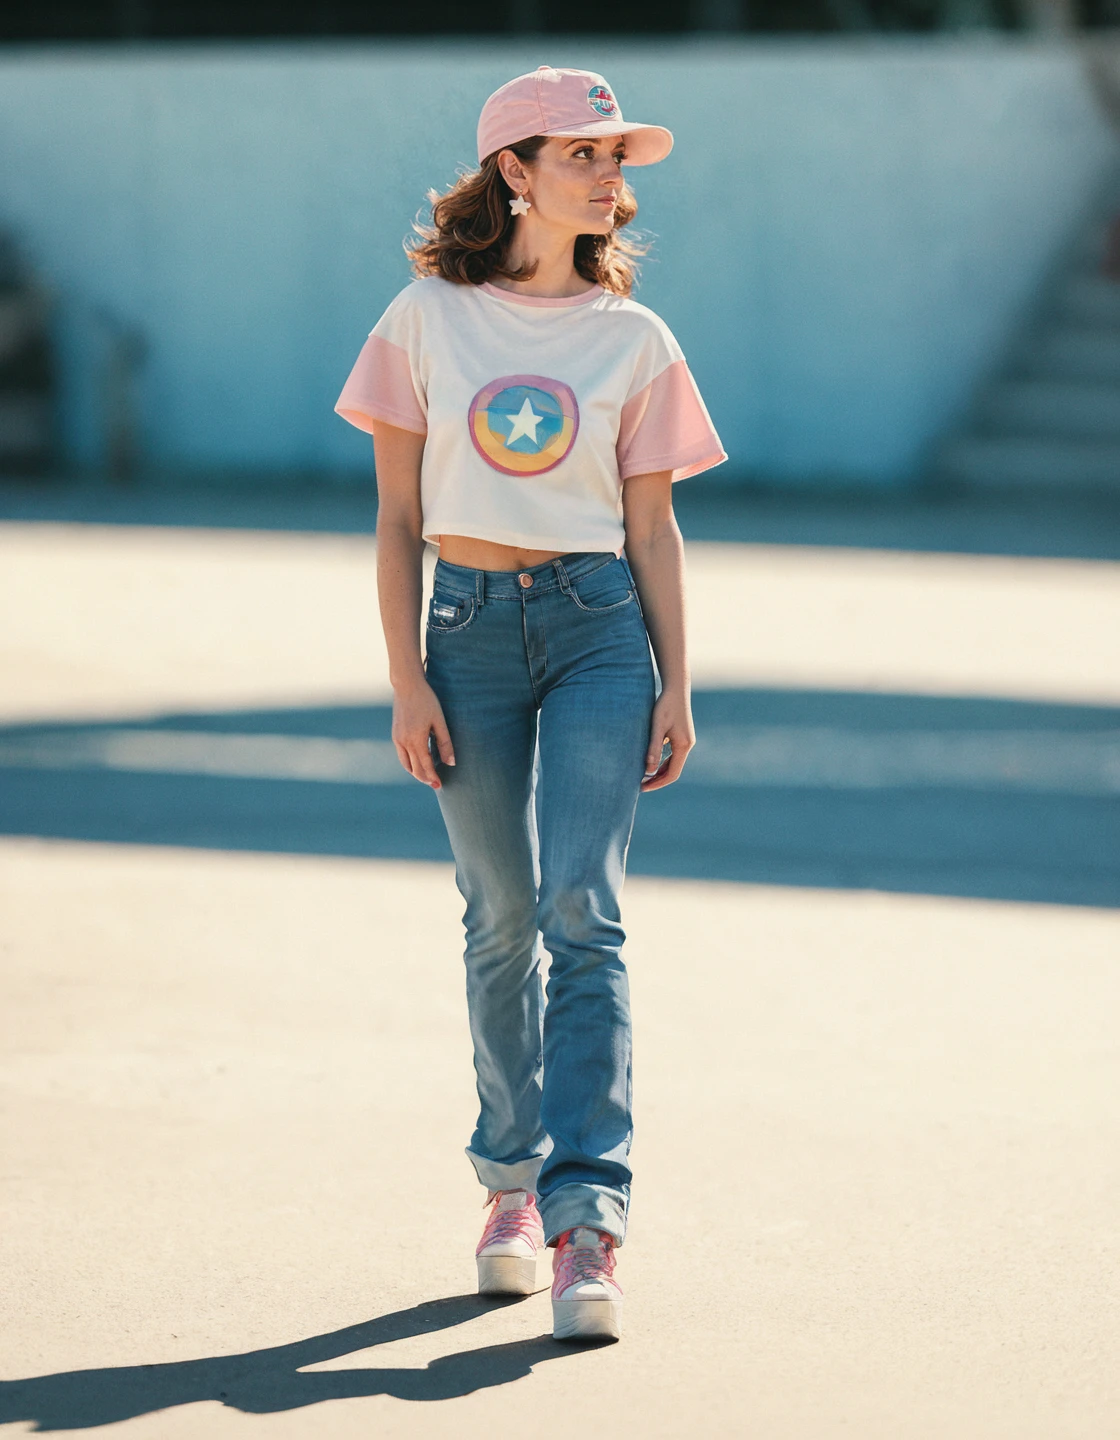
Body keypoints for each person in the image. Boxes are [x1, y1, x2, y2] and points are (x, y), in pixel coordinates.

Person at [335, 64, 726, 1343]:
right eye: (586, 156)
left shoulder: (637, 340)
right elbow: (397, 520)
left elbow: (654, 530)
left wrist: (678, 681)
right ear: (514, 171)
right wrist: (405, 678)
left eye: (620, 161)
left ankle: (586, 1219)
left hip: (599, 627)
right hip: (466, 635)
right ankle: (507, 1182)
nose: (612, 180)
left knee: (584, 911)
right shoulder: (423, 320)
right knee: (500, 915)